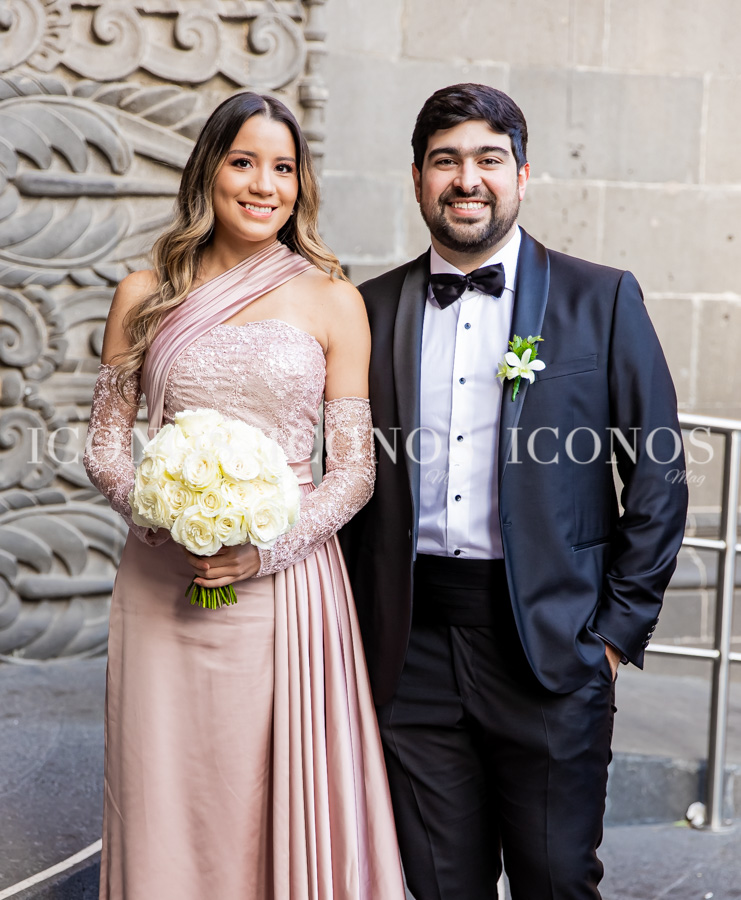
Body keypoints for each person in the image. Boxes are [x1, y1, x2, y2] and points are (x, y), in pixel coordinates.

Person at [340, 83, 689, 899]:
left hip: (551, 645)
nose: (467, 179)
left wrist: (612, 633)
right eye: (445, 162)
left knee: (556, 879)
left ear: (521, 176)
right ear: (418, 180)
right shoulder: (368, 308)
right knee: (434, 884)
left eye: (488, 160)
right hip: (410, 651)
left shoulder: (599, 298)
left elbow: (659, 469)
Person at [84, 91, 406, 900]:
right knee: (164, 784)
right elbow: (101, 445)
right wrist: (165, 519)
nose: (264, 184)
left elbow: (354, 471)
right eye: (243, 162)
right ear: (208, 173)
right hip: (161, 583)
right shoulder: (142, 292)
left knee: (264, 787)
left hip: (285, 588)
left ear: (300, 184)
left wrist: (261, 549)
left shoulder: (334, 300)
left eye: (284, 167)